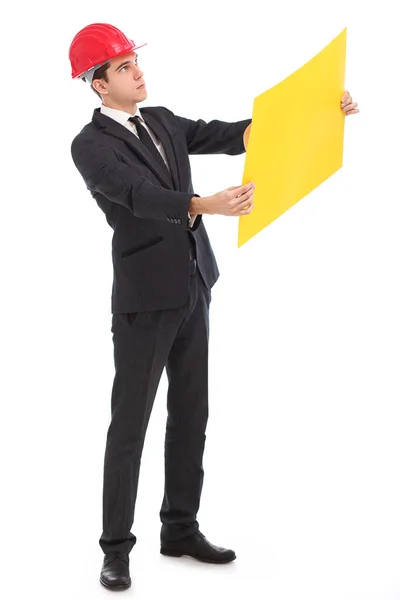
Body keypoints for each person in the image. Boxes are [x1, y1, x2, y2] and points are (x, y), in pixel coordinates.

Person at [69, 22, 359, 591]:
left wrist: (325, 111)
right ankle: (115, 549)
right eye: (124, 67)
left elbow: (238, 134)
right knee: (129, 427)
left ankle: (179, 528)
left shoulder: (163, 120)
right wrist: (203, 204)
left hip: (193, 284)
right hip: (143, 301)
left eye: (135, 61)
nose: (138, 72)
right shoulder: (90, 145)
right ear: (98, 84)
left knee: (191, 416)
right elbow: (136, 196)